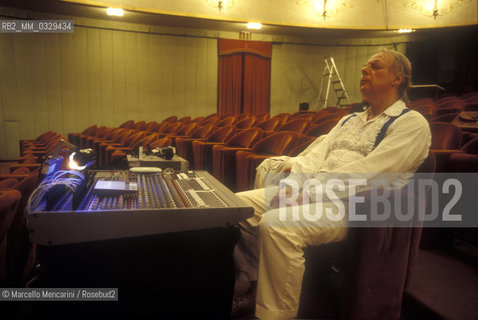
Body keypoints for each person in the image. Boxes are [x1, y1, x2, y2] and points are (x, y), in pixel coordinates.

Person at [232, 49, 432, 319]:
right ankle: (257, 287)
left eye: (375, 66)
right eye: (365, 66)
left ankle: (274, 314)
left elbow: (371, 173)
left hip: (358, 206)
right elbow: (315, 157)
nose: (364, 70)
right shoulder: (349, 119)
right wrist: (293, 186)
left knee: (277, 225)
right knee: (238, 206)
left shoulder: (412, 123)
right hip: (314, 192)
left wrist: (307, 194)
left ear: (398, 78)